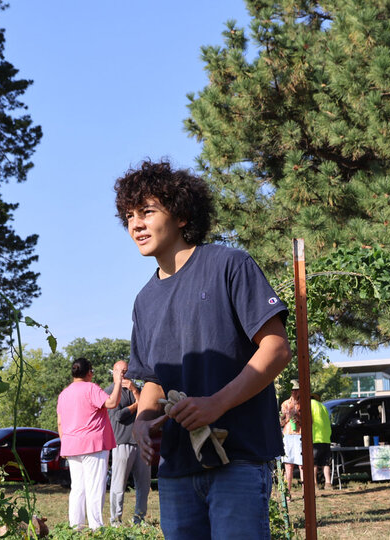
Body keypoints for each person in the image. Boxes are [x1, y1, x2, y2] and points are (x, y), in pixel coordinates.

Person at [115, 160, 292, 539]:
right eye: (129, 215)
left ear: (181, 215)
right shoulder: (144, 301)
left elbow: (276, 349)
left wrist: (217, 403)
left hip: (239, 458)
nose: (136, 224)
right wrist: (144, 424)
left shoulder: (230, 265)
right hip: (177, 468)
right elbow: (154, 382)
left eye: (147, 211)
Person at [56, 358, 126, 530]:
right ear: (89, 373)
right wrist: (117, 382)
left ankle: (75, 527)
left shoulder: (64, 394)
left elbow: (59, 423)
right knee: (95, 487)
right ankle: (96, 527)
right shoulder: (91, 388)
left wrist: (64, 443)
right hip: (93, 445)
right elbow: (111, 403)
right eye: (92, 372)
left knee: (78, 488)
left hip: (72, 445)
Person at [105, 360, 151, 526]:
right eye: (121, 371)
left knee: (144, 484)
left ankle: (139, 518)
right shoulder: (110, 392)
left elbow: (145, 409)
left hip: (140, 441)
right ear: (114, 373)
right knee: (119, 484)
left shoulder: (135, 390)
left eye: (126, 371)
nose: (124, 374)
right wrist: (137, 404)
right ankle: (115, 520)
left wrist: (134, 391)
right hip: (122, 441)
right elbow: (119, 415)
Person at [280, 380, 303, 491]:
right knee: (288, 465)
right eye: (293, 389)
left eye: (296, 389)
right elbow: (280, 423)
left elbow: (309, 422)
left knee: (302, 465)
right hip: (288, 435)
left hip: (299, 435)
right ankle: (287, 493)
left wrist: (298, 418)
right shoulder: (285, 404)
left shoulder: (303, 403)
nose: (294, 392)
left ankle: (305, 492)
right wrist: (288, 417)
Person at [309, 392, 333, 490]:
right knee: (325, 463)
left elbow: (309, 420)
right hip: (326, 438)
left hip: (315, 437)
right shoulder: (323, 407)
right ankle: (328, 483)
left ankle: (314, 484)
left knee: (313, 462)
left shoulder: (309, 405)